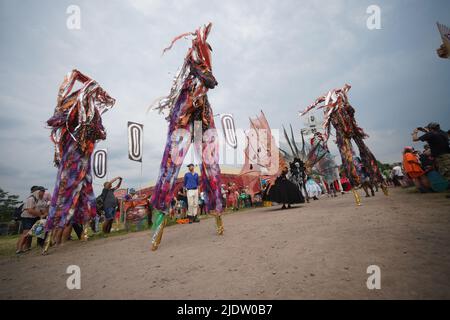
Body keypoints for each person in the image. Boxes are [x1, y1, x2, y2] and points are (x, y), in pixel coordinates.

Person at [16, 186, 47, 254]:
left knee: (31, 233)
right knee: (26, 232)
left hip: (35, 217)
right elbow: (30, 210)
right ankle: (19, 248)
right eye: (42, 191)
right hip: (27, 217)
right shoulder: (31, 199)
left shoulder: (42, 200)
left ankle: (26, 247)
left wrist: (44, 214)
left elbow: (43, 209)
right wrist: (41, 215)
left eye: (44, 191)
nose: (44, 192)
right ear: (38, 191)